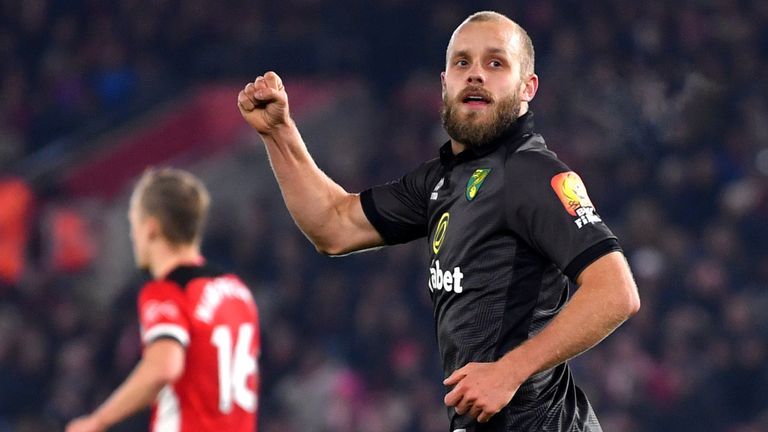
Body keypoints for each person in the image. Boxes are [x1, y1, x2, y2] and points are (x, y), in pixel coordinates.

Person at [238, 10, 639, 432]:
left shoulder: (532, 175)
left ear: (528, 87)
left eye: (496, 63)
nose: (475, 75)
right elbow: (334, 225)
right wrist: (279, 133)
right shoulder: (440, 180)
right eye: (461, 62)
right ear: (444, 83)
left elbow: (616, 292)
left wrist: (508, 371)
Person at [66, 168, 260, 432]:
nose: (133, 236)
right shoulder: (238, 291)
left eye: (133, 224)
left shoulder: (168, 291)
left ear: (151, 228)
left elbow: (165, 366)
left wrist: (97, 421)